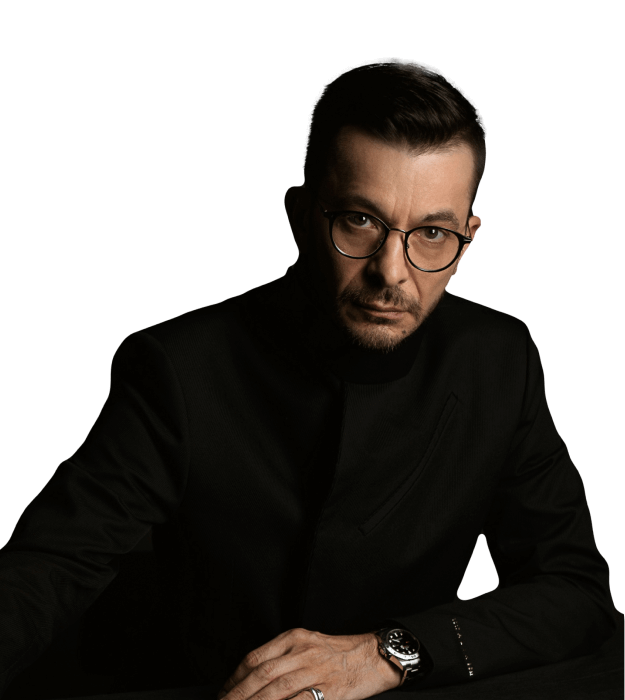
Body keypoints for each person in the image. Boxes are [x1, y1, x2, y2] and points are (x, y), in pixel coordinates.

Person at [0, 58, 618, 699]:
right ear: (301, 217)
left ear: (467, 240)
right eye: (360, 220)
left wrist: (389, 652)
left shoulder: (500, 358)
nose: (392, 271)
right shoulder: (180, 367)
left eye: (433, 233)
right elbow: (52, 566)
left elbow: (576, 590)